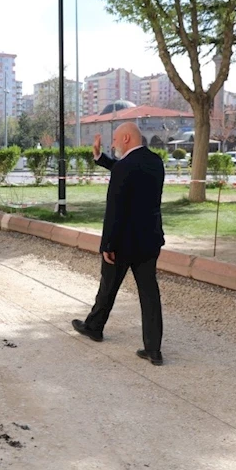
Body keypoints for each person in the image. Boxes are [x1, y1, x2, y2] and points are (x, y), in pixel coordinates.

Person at [71, 123, 166, 366]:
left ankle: (94, 327)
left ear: (126, 138)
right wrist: (100, 158)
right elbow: (127, 174)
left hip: (122, 242)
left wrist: (107, 245)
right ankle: (153, 349)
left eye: (114, 140)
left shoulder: (125, 167)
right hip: (149, 240)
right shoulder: (155, 162)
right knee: (149, 293)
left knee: (108, 285)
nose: (113, 144)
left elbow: (114, 210)